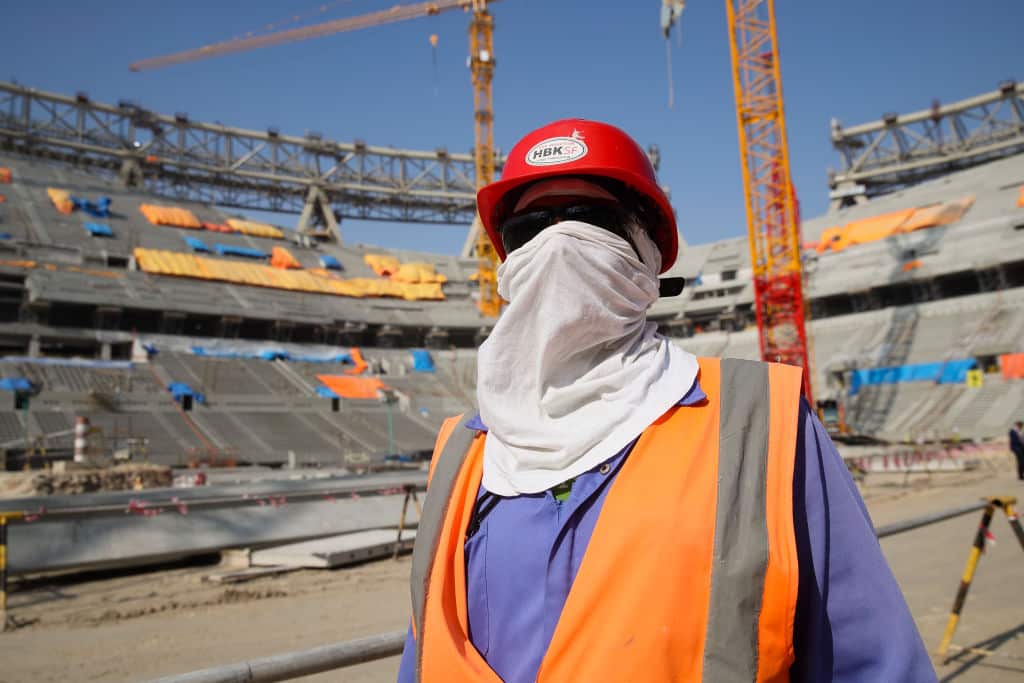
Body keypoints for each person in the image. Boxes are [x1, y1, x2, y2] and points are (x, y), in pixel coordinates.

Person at [398, 119, 936, 682]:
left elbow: (872, 663)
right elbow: (428, 650)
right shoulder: (461, 455)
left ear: (649, 254)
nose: (557, 245)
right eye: (528, 230)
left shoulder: (761, 426)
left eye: (592, 221)